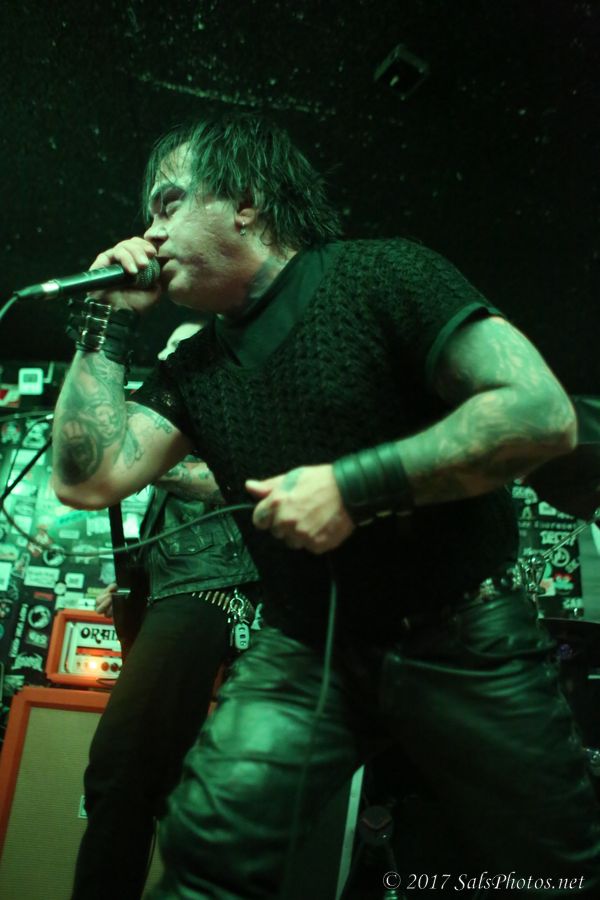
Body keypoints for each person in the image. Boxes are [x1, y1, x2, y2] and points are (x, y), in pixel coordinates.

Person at [51, 111, 600, 898]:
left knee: (554, 872)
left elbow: (539, 414)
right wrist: (103, 321)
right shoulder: (195, 368)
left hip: (465, 633)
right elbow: (87, 477)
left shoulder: (384, 275)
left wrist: (351, 486)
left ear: (245, 200)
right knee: (207, 851)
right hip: (306, 646)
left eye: (169, 203)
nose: (150, 232)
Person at [69, 322, 259, 900]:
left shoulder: (238, 412)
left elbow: (238, 483)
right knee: (139, 774)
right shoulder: (174, 430)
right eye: (167, 348)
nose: (168, 357)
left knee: (122, 766)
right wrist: (137, 587)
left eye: (181, 348)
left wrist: (138, 461)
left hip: (215, 590)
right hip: (177, 593)